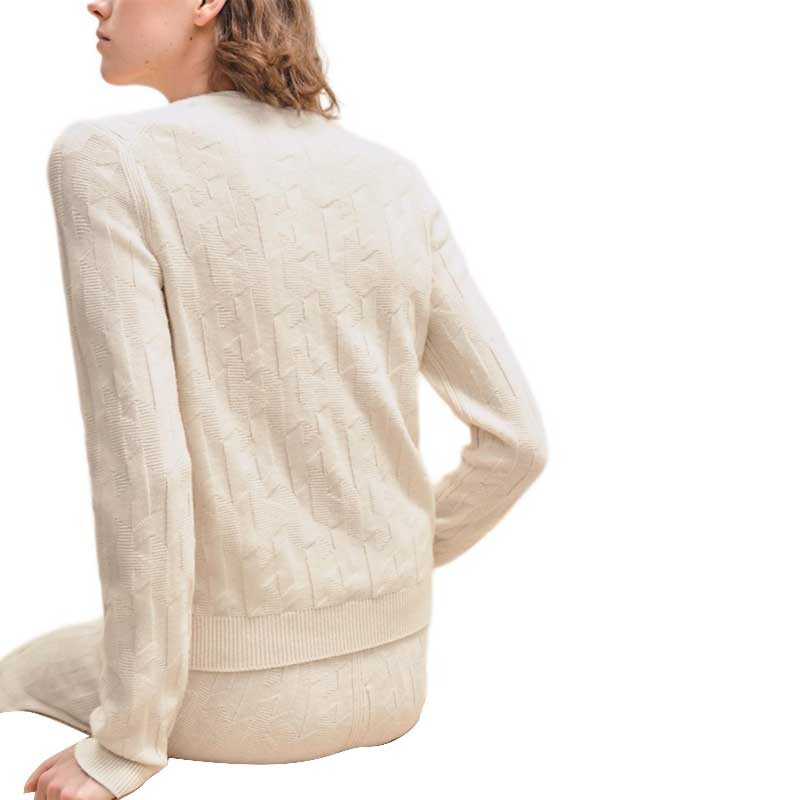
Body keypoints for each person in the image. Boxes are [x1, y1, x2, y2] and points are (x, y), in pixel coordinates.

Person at [0, 0, 549, 798]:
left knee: (15, 673)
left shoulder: (107, 160)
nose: (97, 3)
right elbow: (518, 441)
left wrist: (124, 745)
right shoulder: (391, 179)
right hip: (397, 678)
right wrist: (392, 561)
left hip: (228, 702)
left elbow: (145, 470)